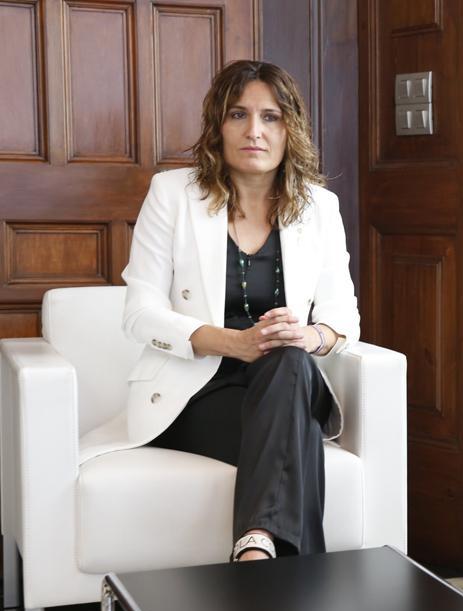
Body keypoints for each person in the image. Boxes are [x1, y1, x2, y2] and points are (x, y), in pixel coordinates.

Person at [120, 60, 359, 562]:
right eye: (238, 115)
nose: (255, 131)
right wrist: (233, 342)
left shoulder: (320, 208)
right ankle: (292, 589)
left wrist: (307, 337)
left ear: (290, 129)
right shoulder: (174, 195)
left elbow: (343, 320)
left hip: (282, 383)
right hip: (195, 392)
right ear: (218, 126)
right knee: (298, 442)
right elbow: (139, 312)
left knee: (291, 360)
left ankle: (255, 554)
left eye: (271, 117)